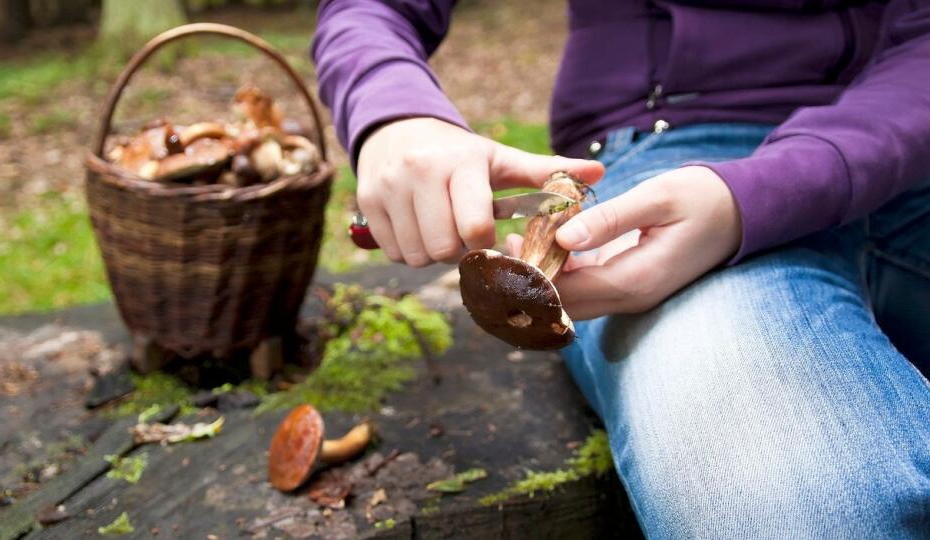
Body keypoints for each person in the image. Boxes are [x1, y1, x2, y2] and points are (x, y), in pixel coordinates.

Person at [312, 1, 930, 536]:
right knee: (791, 491)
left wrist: (772, 189)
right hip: (677, 158)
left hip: (912, 154)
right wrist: (393, 109)